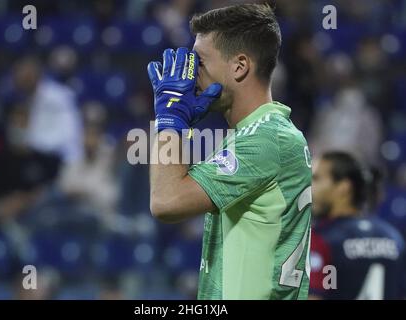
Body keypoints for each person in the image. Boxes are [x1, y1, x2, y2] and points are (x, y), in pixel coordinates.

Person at [147, 4, 312, 299]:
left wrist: (170, 119)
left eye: (200, 61)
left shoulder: (265, 139)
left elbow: (166, 201)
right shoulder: (258, 132)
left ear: (239, 66)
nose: (191, 73)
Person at [309, 151, 406, 299]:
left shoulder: (322, 239)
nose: (309, 187)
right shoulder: (394, 238)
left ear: (343, 187)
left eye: (316, 179)